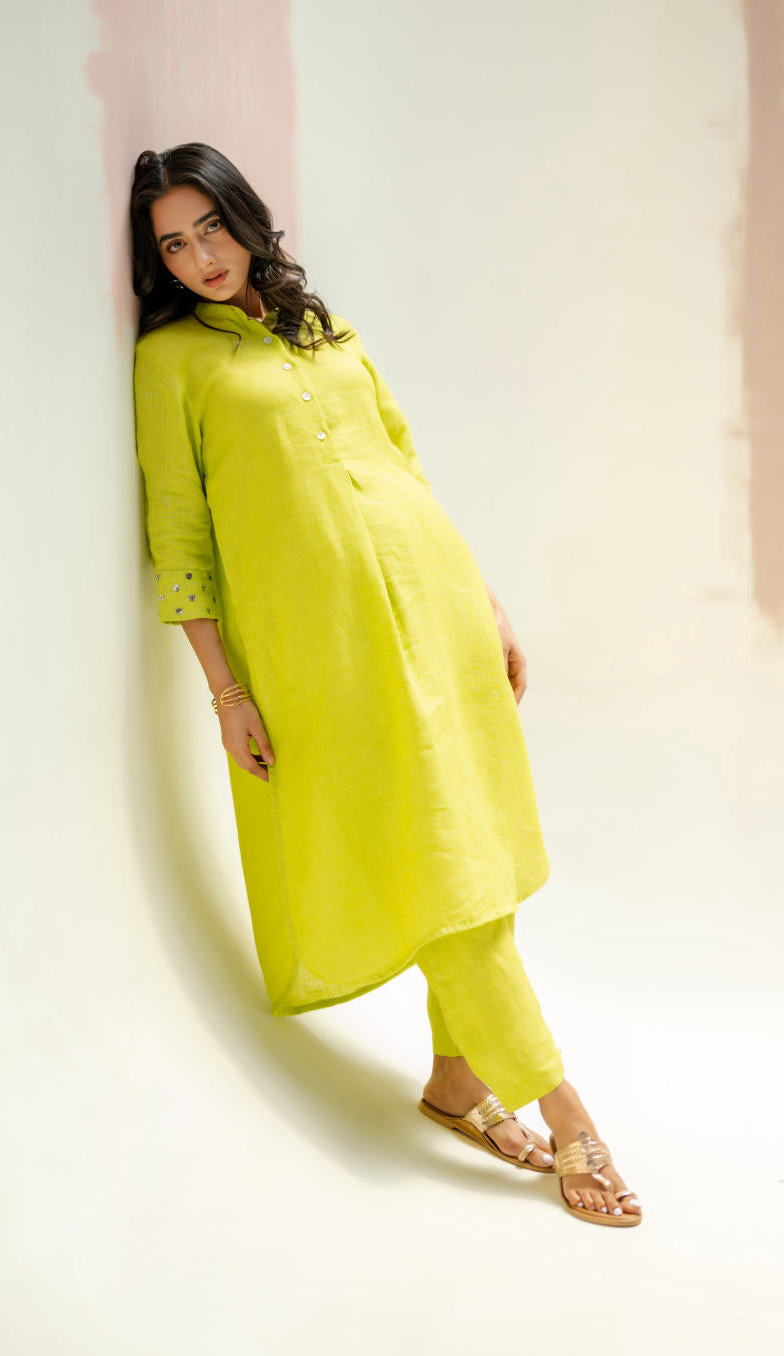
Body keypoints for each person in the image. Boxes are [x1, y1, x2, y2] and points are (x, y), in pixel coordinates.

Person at [129, 142, 642, 1228]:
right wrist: (226, 692)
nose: (198, 257)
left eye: (210, 228)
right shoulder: (172, 362)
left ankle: (457, 1081)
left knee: (467, 846)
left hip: (433, 606)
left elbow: (404, 468)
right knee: (434, 858)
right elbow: (178, 537)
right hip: (320, 649)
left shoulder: (328, 331)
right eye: (172, 244)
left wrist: (485, 603)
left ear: (245, 220)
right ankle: (564, 1108)